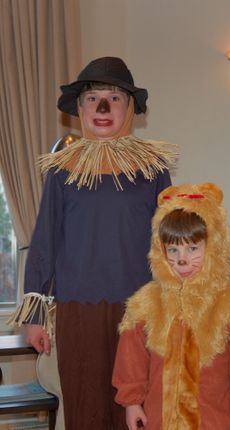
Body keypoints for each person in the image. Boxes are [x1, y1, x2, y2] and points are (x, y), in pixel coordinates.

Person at [9, 57, 176, 429]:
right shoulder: (61, 170)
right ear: (80, 108)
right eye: (93, 97)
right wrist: (34, 314)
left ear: (129, 107)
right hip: (77, 309)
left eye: (114, 97)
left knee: (137, 410)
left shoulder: (152, 168)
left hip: (140, 311)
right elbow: (45, 239)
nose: (103, 107)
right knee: (84, 406)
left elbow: (170, 238)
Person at [112, 182, 230, 430]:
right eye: (173, 249)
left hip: (215, 421)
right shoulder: (146, 303)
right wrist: (132, 402)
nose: (182, 259)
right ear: (159, 250)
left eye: (193, 248)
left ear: (214, 247)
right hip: (160, 420)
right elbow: (131, 360)